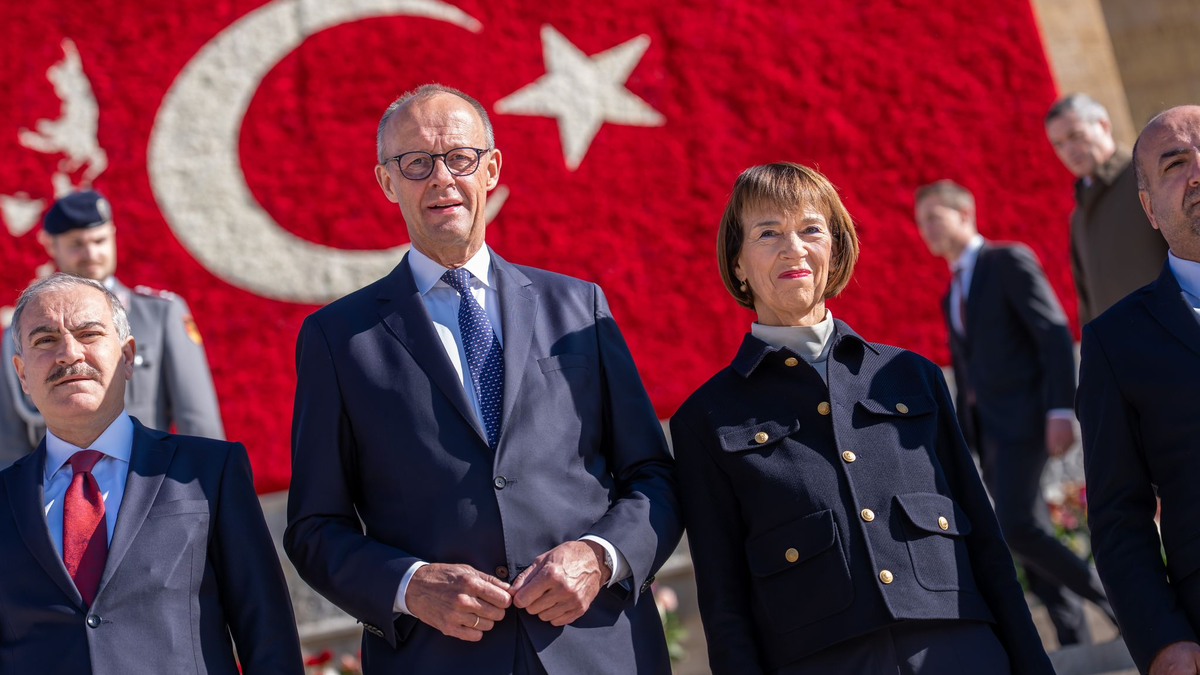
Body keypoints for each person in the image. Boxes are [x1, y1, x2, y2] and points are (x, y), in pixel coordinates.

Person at [284, 84, 681, 675]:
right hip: (439, 658)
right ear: (387, 183)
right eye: (415, 162)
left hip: (598, 649)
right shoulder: (337, 340)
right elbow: (315, 528)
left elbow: (654, 477)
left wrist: (599, 557)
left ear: (490, 170)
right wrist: (411, 585)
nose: (441, 178)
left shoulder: (580, 308)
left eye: (460, 158)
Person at [672, 162, 1053, 675]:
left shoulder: (910, 375)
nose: (794, 248)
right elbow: (724, 598)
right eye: (768, 233)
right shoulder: (705, 417)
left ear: (836, 248)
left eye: (811, 229)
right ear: (737, 262)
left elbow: (986, 543)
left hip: (961, 649)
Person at [0, 273, 301, 674]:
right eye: (45, 340)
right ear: (21, 373)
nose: (68, 354)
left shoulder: (209, 474)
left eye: (88, 334)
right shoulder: (5, 499)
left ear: (128, 356)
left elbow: (267, 634)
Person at [913, 179, 1114, 646]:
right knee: (1025, 536)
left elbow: (1051, 332)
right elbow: (967, 378)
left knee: (1016, 524)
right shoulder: (951, 292)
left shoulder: (1006, 261)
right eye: (921, 221)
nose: (924, 230)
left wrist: (1062, 408)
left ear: (964, 214)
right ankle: (1073, 639)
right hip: (990, 434)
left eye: (932, 217)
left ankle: (1118, 600)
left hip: (1028, 420)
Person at [1078, 104, 1200, 675]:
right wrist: (1162, 642)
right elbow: (1118, 517)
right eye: (1176, 163)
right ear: (1149, 208)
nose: (1198, 171)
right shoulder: (1114, 343)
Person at [0, 190, 224, 469]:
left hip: (147, 484)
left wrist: (208, 493)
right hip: (56, 493)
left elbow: (197, 419)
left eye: (100, 240)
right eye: (77, 244)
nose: (92, 253)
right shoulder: (24, 330)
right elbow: (10, 442)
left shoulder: (159, 314)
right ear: (50, 245)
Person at [1045, 93, 1168, 325]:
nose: (1068, 150)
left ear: (1103, 125)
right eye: (1059, 144)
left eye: (1075, 136)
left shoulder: (1147, 178)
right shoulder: (1078, 216)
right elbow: (1087, 302)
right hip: (1122, 357)